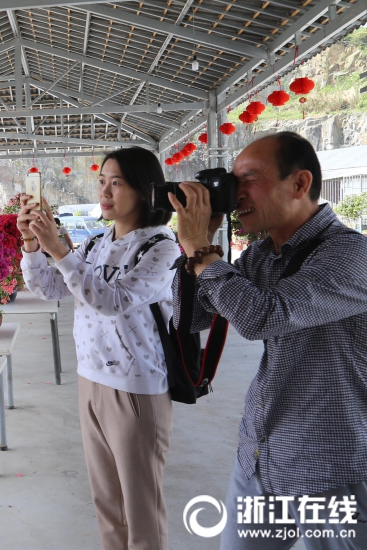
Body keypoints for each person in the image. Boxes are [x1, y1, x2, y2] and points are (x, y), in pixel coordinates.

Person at [168, 131, 367, 550]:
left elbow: (263, 317)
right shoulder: (262, 255)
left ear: (300, 184)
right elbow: (195, 316)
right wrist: (196, 247)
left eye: (249, 180)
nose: (236, 193)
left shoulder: (351, 255)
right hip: (261, 458)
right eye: (232, 182)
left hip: (331, 470)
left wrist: (202, 250)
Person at [18, 146, 180, 549]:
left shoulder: (162, 248)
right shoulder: (96, 244)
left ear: (145, 191)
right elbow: (49, 287)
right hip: (90, 379)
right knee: (107, 502)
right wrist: (33, 245)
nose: (105, 191)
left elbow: (112, 300)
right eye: (102, 181)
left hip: (135, 388)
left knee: (140, 510)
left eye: (117, 183)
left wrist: (58, 248)